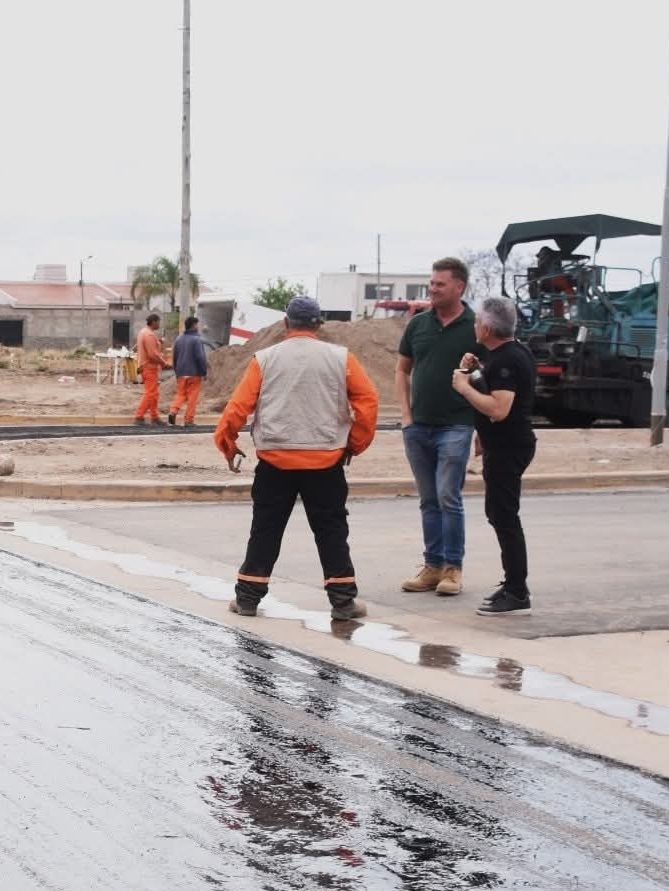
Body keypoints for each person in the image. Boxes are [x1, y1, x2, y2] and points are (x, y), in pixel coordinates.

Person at [214, 295, 379, 621]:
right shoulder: (341, 358)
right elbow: (368, 402)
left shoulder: (265, 358)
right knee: (332, 531)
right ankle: (343, 603)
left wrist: (227, 443)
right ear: (318, 324)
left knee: (265, 530)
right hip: (326, 461)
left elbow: (238, 407)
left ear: (286, 323)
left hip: (275, 462)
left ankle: (247, 599)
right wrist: (353, 444)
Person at [451, 296, 537, 615]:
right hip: (503, 444)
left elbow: (500, 409)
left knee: (504, 516)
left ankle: (517, 590)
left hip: (509, 446)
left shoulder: (506, 359)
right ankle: (513, 584)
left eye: (476, 321)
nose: (474, 325)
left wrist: (464, 386)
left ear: (486, 327)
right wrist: (473, 374)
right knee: (499, 514)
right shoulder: (507, 354)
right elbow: (493, 395)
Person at [396, 256, 477, 597]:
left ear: (459, 287)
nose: (432, 289)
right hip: (418, 427)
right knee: (429, 499)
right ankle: (432, 566)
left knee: (448, 496)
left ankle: (453, 569)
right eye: (431, 283)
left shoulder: (476, 325)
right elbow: (403, 369)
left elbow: (490, 379)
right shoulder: (418, 324)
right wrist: (406, 416)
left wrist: (483, 429)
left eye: (439, 284)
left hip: (456, 426)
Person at [168, 315, 207, 427]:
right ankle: (188, 420)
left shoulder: (179, 339)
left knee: (180, 394)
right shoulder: (196, 340)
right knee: (192, 397)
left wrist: (176, 371)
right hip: (194, 373)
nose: (198, 327)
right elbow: (200, 357)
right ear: (194, 325)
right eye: (197, 324)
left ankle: (173, 411)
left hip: (181, 373)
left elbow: (174, 356)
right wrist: (203, 371)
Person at [133, 313, 167, 425]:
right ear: (153, 322)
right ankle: (139, 416)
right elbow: (153, 354)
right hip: (149, 367)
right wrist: (163, 363)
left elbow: (150, 348)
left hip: (145, 367)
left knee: (153, 393)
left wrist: (159, 343)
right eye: (158, 322)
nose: (159, 324)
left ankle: (154, 417)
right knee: (150, 393)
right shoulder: (149, 335)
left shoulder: (144, 332)